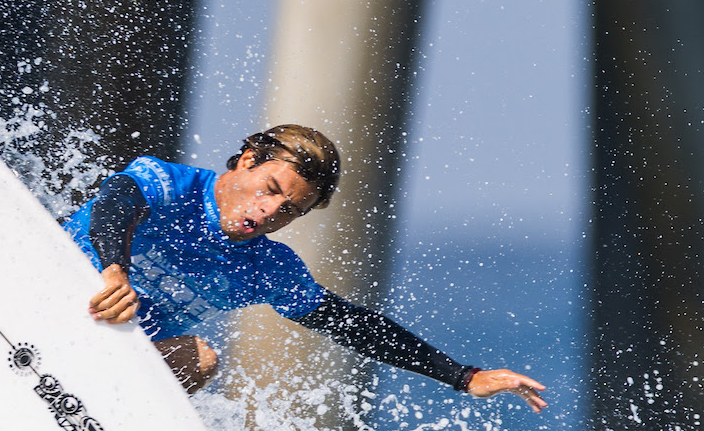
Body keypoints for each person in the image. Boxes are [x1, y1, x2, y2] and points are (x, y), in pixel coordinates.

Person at [63, 124, 548, 411]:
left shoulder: (267, 268)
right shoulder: (171, 182)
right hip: (49, 289)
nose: (271, 212)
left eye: (290, 210)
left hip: (112, 357)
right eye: (270, 189)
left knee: (201, 359)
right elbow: (117, 202)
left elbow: (354, 325)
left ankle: (102, 425)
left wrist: (465, 377)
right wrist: (114, 269)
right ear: (248, 161)